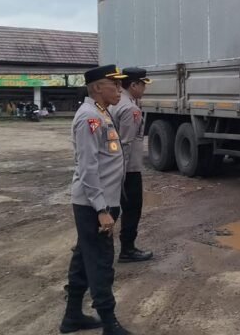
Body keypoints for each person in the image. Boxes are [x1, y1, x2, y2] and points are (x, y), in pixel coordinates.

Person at [60, 64, 134, 335]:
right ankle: (109, 322)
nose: (118, 89)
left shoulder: (101, 113)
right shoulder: (90, 118)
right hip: (95, 204)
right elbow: (88, 168)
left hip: (101, 200)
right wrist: (102, 209)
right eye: (113, 85)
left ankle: (72, 317)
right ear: (96, 88)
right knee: (101, 261)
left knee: (84, 257)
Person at [108, 67, 153, 263]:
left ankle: (90, 244)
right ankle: (127, 249)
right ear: (134, 84)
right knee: (132, 209)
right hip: (128, 170)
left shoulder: (115, 103)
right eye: (143, 84)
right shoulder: (130, 109)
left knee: (111, 209)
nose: (144, 88)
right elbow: (124, 144)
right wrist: (122, 174)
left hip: (114, 167)